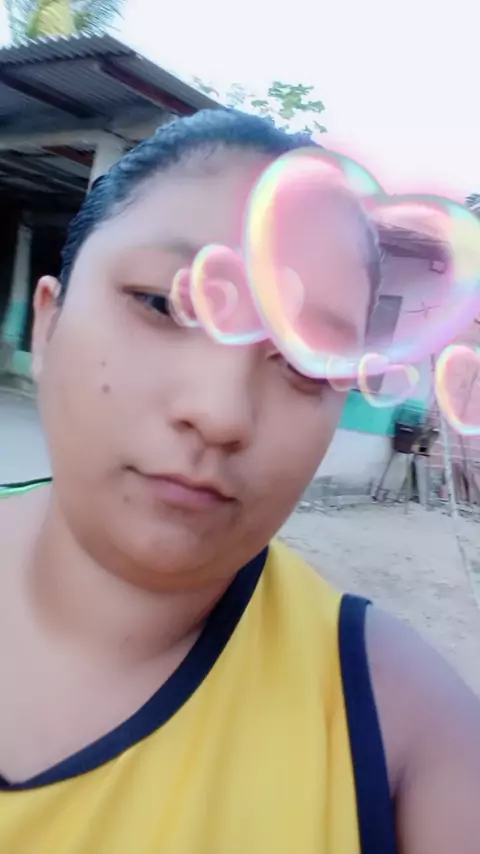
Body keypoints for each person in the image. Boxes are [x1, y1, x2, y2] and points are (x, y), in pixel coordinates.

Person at [0, 109, 479, 854]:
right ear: (48, 323)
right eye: (163, 303)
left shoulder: (403, 734)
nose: (221, 413)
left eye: (305, 358)